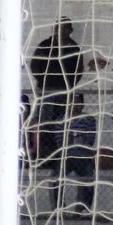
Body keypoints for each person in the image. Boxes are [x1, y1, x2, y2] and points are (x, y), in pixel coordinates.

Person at [30, 17, 84, 159]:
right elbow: (35, 66)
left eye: (65, 28)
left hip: (64, 91)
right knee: (44, 121)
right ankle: (43, 150)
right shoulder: (45, 45)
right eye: (58, 27)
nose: (61, 31)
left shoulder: (73, 48)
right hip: (46, 91)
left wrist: (68, 85)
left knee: (61, 121)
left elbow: (78, 70)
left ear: (70, 30)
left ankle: (59, 151)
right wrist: (45, 82)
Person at [45, 93, 98, 214]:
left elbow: (89, 140)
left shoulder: (89, 119)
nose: (74, 105)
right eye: (71, 102)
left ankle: (83, 208)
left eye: (77, 102)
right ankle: (59, 207)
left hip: (82, 155)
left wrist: (74, 140)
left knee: (89, 177)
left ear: (82, 104)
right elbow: (60, 142)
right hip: (66, 156)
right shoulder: (61, 120)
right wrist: (75, 139)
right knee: (55, 178)